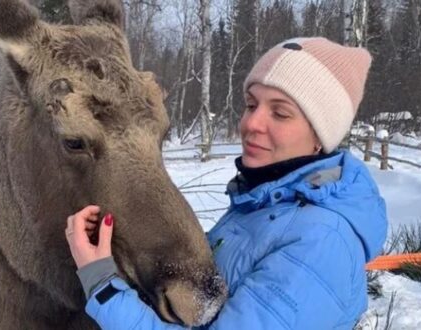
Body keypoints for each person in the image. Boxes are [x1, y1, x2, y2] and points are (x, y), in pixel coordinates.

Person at [65, 37, 388, 329]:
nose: (251, 123)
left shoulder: (320, 241)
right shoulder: (265, 205)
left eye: (280, 113)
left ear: (320, 135)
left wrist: (101, 283)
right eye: (251, 104)